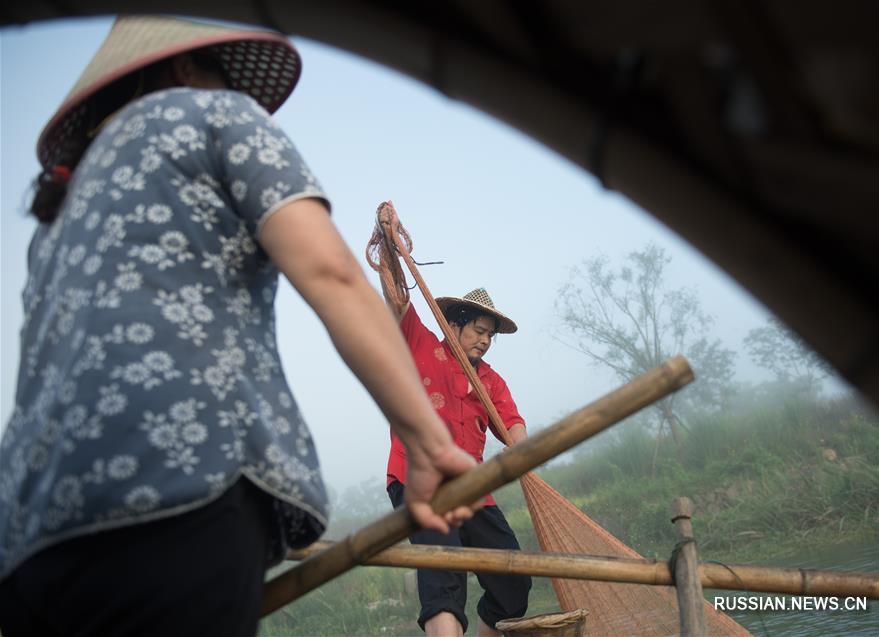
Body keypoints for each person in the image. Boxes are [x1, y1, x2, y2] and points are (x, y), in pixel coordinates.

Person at [0, 15, 479, 637]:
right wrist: (426, 439)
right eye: (222, 75)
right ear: (181, 69)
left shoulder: (57, 213)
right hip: (175, 479)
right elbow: (331, 274)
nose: (233, 91)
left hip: (28, 533)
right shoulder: (212, 116)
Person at [376, 208, 532, 637]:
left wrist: (524, 452)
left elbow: (513, 426)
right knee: (443, 577)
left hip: (471, 490)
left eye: (489, 334)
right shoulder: (422, 344)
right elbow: (396, 298)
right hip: (418, 476)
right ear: (456, 324)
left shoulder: (491, 382)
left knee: (512, 581)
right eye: (478, 329)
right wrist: (390, 244)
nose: (484, 339)